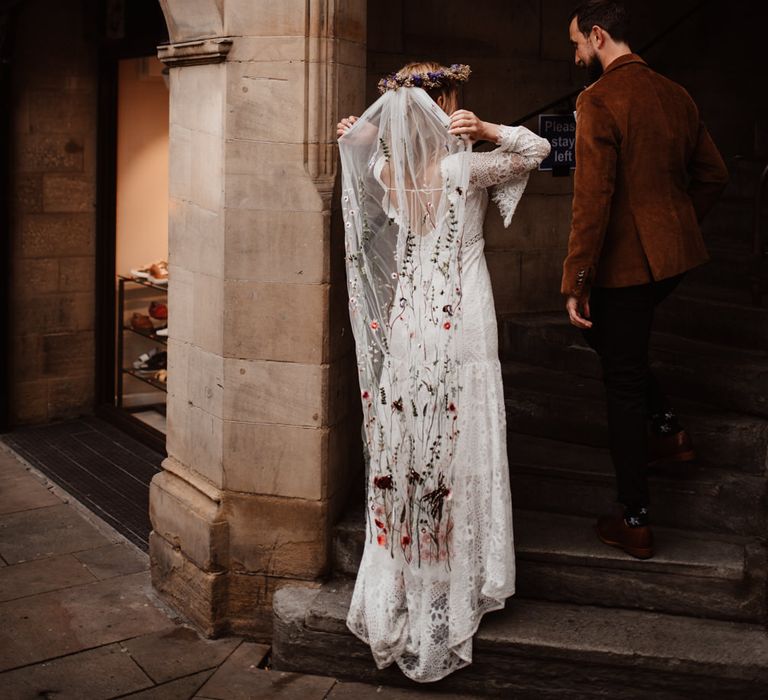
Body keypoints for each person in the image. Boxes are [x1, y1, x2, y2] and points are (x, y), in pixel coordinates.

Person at [337, 62, 550, 682]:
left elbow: (368, 156)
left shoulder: (385, 171)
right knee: (462, 444)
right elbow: (534, 149)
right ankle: (461, 576)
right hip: (461, 320)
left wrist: (365, 137)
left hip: (409, 322)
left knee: (412, 446)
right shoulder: (465, 167)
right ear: (445, 104)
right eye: (455, 101)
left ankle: (409, 571)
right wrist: (486, 127)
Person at [561, 1, 728, 559]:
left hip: (627, 272)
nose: (576, 53)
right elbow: (714, 175)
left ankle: (634, 519)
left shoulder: (599, 99)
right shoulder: (675, 94)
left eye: (579, 43)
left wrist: (577, 278)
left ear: (600, 35)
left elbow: (593, 200)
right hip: (670, 263)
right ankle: (669, 430)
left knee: (622, 378)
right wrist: (674, 226)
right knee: (615, 347)